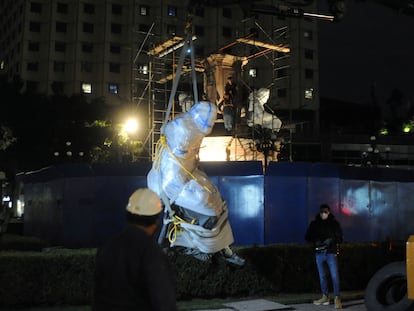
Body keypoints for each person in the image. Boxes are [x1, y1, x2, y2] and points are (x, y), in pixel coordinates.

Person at [92, 188, 177, 311]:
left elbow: (98, 297)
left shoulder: (108, 247)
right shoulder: (151, 252)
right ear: (156, 221)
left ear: (128, 215)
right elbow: (163, 299)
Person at [305, 204, 343, 309]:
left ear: (329, 212)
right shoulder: (315, 224)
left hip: (331, 253)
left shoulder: (334, 224)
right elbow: (307, 236)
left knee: (334, 276)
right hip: (319, 253)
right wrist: (316, 241)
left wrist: (331, 240)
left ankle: (337, 298)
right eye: (322, 211)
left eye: (325, 212)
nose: (323, 214)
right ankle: (325, 296)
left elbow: (340, 237)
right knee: (322, 276)